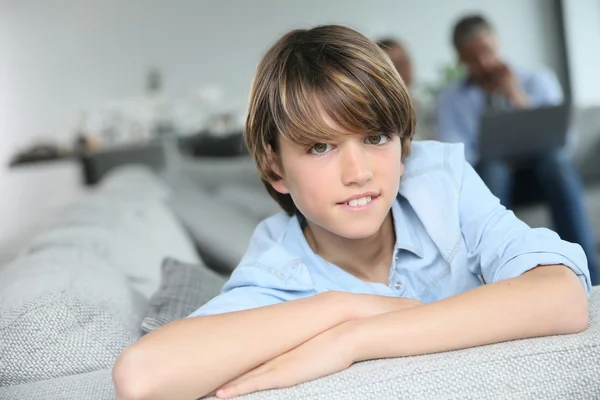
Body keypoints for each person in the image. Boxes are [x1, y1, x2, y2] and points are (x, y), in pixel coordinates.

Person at [113, 25, 590, 400]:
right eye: (320, 147)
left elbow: (563, 296)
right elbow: (141, 378)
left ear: (401, 143)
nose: (358, 172)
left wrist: (354, 340)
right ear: (275, 167)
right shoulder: (279, 269)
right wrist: (342, 306)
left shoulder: (440, 182)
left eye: (376, 138)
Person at [435, 14, 599, 286]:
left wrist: (515, 95)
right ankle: (501, 279)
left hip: (545, 176)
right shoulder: (451, 100)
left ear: (497, 43)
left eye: (487, 52)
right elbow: (456, 158)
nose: (484, 63)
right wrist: (498, 150)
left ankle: (590, 275)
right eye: (473, 59)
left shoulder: (537, 79)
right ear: (461, 60)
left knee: (556, 161)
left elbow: (565, 141)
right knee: (494, 166)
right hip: (495, 182)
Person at [377, 37, 435, 141]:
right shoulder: (381, 113)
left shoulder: (424, 105)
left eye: (406, 60)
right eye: (397, 63)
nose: (405, 66)